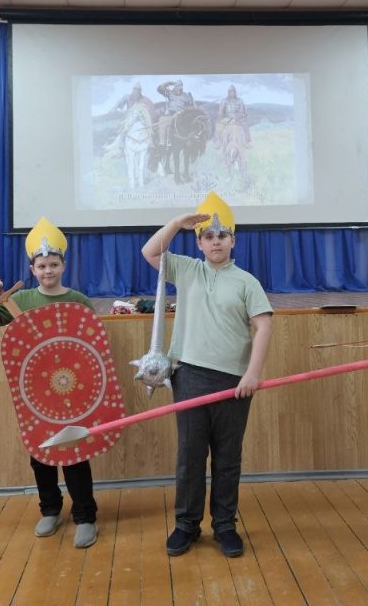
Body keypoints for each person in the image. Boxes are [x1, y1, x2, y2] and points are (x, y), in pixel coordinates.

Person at [141, 191, 273, 558]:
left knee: (227, 458)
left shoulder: (246, 282)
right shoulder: (186, 270)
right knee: (190, 456)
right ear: (199, 243)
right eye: (208, 237)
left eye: (222, 236)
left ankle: (225, 524)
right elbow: (150, 252)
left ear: (233, 241)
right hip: (190, 377)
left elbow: (263, 327)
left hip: (234, 382)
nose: (216, 242)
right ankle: (186, 524)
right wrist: (176, 223)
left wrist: (253, 374)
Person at [0, 216, 101, 549]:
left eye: (53, 265)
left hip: (71, 390)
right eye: (42, 266)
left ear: (63, 266)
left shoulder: (78, 301)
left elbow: (94, 344)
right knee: (40, 452)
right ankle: (50, 509)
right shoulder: (23, 300)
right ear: (32, 269)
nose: (48, 270)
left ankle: (85, 516)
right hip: (35, 392)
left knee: (74, 453)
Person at [156, 79, 195, 147]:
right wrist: (168, 83)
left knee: (171, 121)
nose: (179, 89)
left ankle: (169, 140)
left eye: (181, 87)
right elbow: (159, 89)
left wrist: (185, 110)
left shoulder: (186, 96)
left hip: (182, 114)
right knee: (162, 119)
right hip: (170, 113)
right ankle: (162, 141)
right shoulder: (170, 93)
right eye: (178, 87)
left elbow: (191, 107)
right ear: (175, 87)